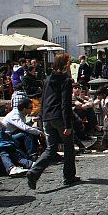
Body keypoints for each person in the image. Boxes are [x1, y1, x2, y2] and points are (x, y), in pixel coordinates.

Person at [27, 53, 79, 189]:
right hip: (59, 118)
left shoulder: (48, 78)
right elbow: (65, 104)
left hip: (47, 116)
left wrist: (42, 115)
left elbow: (43, 98)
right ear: (64, 64)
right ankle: (69, 177)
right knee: (68, 147)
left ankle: (34, 171)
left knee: (51, 148)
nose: (69, 65)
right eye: (68, 62)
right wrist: (68, 124)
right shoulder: (66, 80)